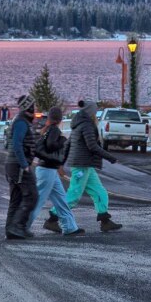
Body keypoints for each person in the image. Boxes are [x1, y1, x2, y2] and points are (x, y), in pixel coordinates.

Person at [45, 100, 122, 233]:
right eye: (95, 111)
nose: (96, 113)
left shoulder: (78, 124)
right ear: (91, 112)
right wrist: (110, 157)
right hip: (81, 165)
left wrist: (60, 163)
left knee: (99, 191)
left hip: (86, 165)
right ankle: (52, 218)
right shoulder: (86, 125)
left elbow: (68, 144)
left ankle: (105, 220)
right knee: (74, 195)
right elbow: (92, 146)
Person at [28, 106, 83, 236]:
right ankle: (23, 226)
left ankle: (70, 227)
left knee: (61, 199)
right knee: (38, 200)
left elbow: (48, 146)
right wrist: (63, 141)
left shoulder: (48, 129)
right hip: (47, 170)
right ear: (60, 119)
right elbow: (51, 145)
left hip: (49, 170)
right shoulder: (54, 130)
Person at [4, 94, 38, 239]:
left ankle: (11, 229)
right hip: (18, 166)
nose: (34, 108)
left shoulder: (21, 121)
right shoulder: (21, 123)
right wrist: (24, 165)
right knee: (32, 196)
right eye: (32, 106)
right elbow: (17, 145)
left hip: (12, 165)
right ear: (27, 107)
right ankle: (17, 226)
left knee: (16, 198)